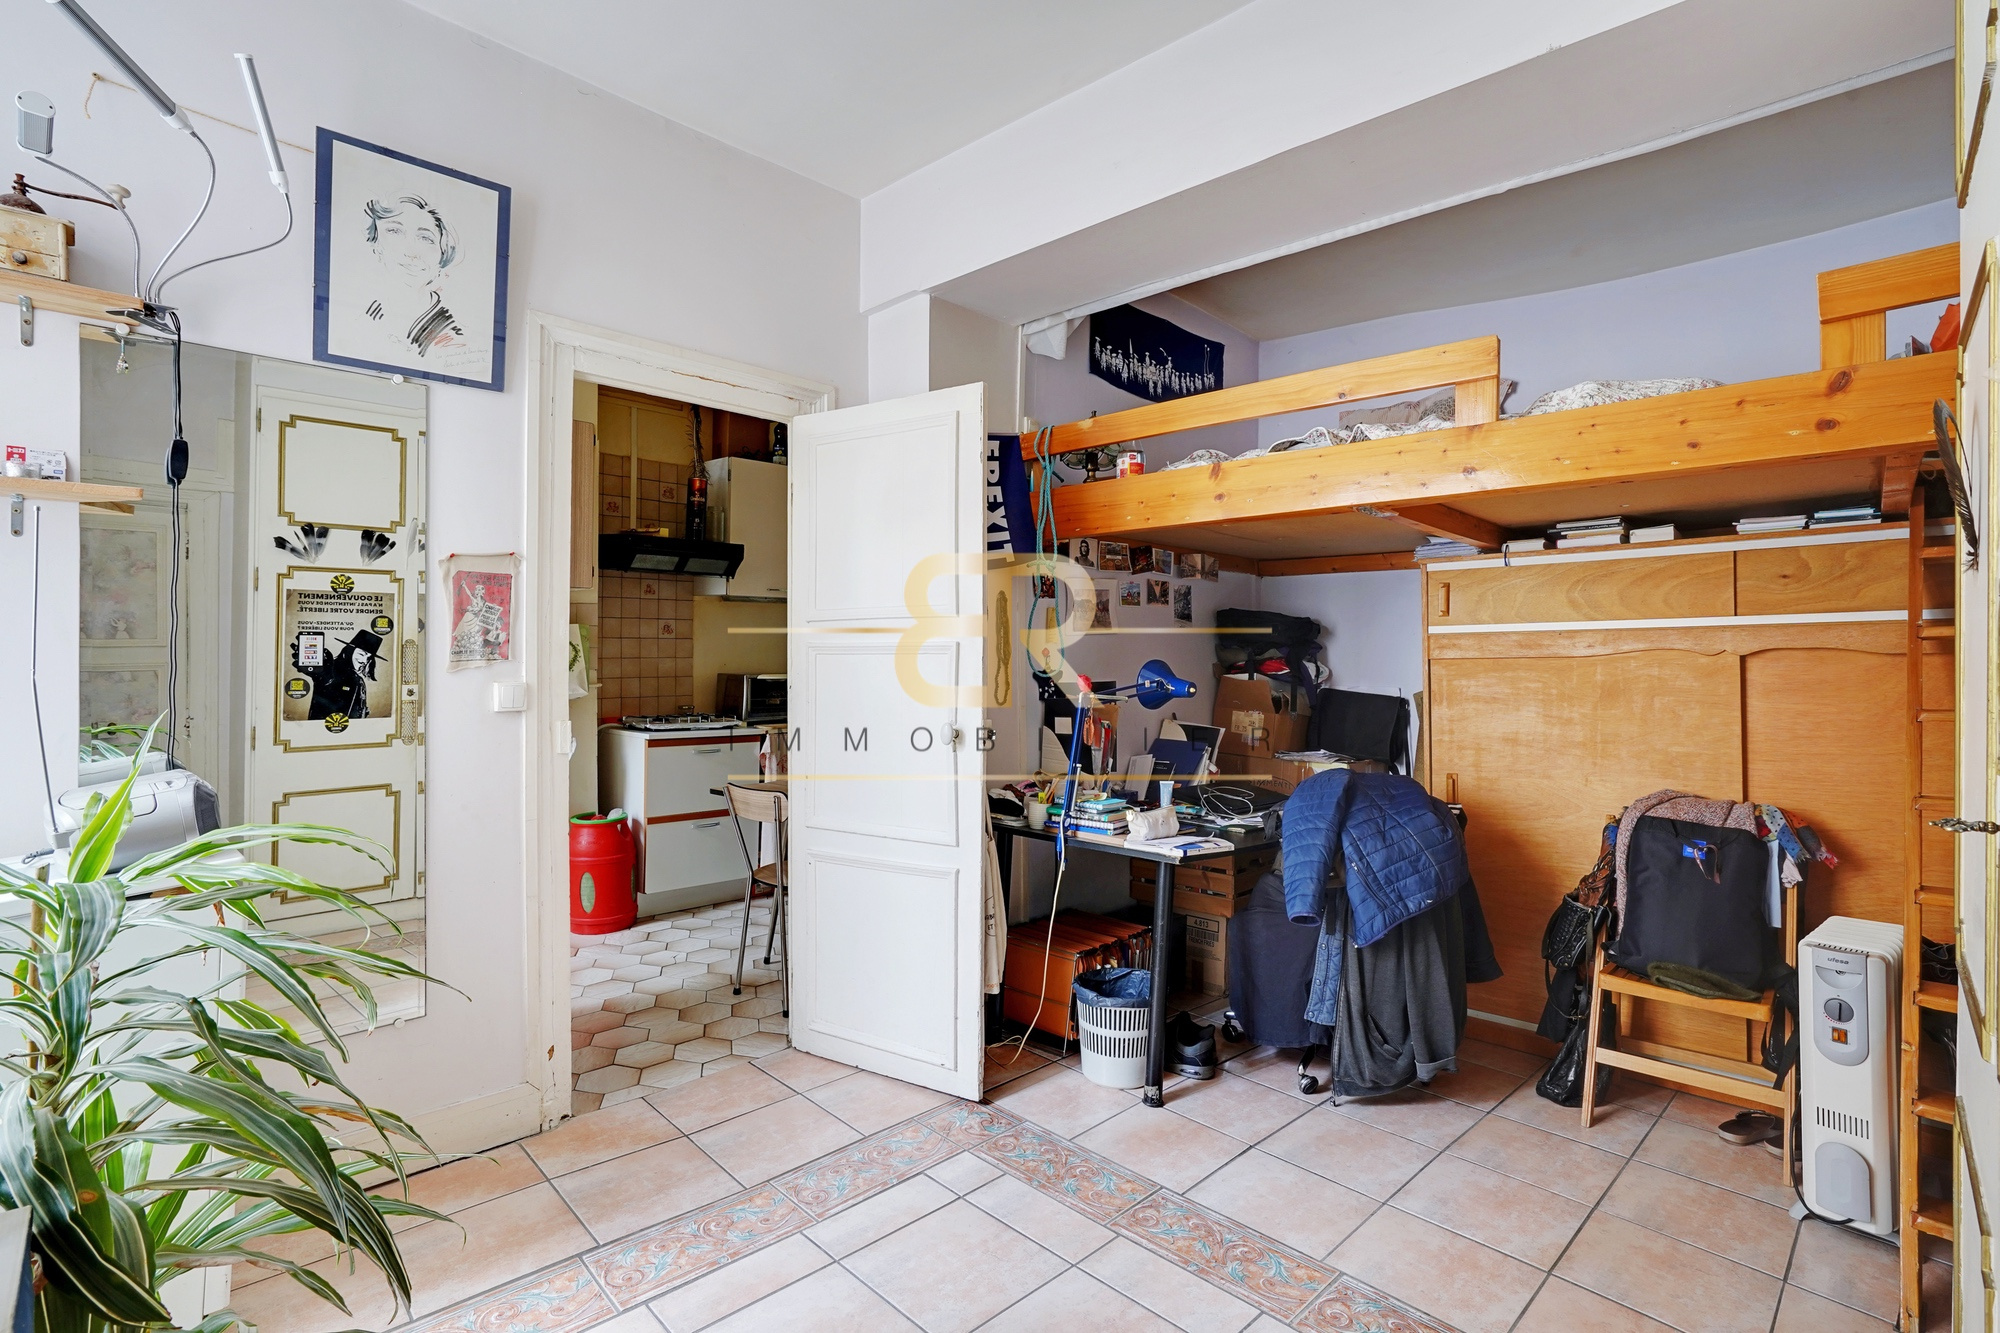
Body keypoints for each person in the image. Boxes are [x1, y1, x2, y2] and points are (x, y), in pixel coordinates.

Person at [357, 194, 481, 371]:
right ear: (375, 243)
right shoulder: (361, 320)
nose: (411, 251)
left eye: (425, 238)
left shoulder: (455, 339)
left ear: (443, 254)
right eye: (394, 231)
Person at [296, 629, 384, 721]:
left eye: (368, 658)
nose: (364, 661)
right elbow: (324, 680)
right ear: (350, 651)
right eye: (361, 654)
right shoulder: (331, 669)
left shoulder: (358, 679)